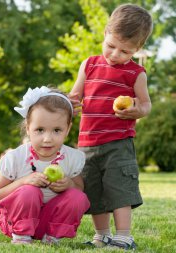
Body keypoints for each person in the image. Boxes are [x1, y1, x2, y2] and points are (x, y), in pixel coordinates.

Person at [69, 3, 153, 250]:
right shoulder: (89, 65)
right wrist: (70, 105)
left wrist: (137, 109)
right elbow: (75, 95)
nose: (115, 54)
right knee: (93, 189)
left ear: (137, 49)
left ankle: (124, 236)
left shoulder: (136, 73)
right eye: (111, 46)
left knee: (119, 188)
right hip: (87, 143)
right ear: (105, 33)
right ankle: (102, 235)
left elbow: (146, 105)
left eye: (124, 51)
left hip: (118, 142)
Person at [0, 86, 90, 245]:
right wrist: (23, 181)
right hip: (15, 221)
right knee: (29, 192)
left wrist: (69, 184)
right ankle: (21, 237)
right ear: (28, 128)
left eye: (57, 130)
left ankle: (52, 237)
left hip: (48, 222)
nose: (47, 139)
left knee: (77, 197)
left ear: (68, 129)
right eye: (40, 130)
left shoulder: (72, 157)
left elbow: (79, 189)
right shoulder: (16, 157)